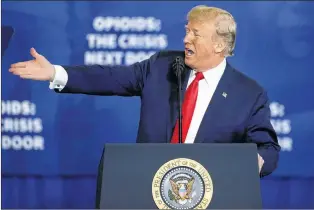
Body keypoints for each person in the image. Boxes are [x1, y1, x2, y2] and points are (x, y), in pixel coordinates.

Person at [9, 5, 280, 177]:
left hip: (208, 195)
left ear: (220, 45)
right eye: (187, 31)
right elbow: (111, 78)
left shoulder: (249, 94)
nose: (186, 39)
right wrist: (56, 73)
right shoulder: (163, 65)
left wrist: (250, 165)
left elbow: (267, 149)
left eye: (195, 34)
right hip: (148, 189)